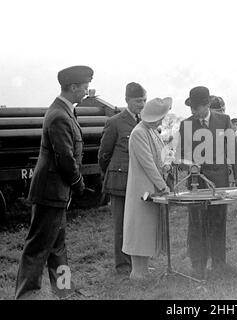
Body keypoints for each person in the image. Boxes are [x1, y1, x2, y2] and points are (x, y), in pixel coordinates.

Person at [15, 65, 94, 299]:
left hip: (57, 192)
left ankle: (64, 291)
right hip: (50, 192)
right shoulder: (60, 115)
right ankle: (26, 295)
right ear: (72, 87)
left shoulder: (64, 110)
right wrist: (79, 184)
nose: (86, 92)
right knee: (38, 247)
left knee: (57, 245)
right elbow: (65, 159)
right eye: (84, 88)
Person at [177, 86, 237, 280]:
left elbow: (232, 149)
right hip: (196, 182)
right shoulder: (186, 124)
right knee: (197, 223)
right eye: (190, 107)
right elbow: (181, 153)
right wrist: (190, 163)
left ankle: (219, 264)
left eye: (196, 107)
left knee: (218, 221)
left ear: (207, 105)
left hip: (220, 181)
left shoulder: (224, 121)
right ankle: (198, 264)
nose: (192, 112)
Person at [98, 82, 147, 274]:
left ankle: (137, 265)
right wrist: (113, 173)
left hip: (141, 183)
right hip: (121, 183)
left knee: (138, 223)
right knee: (121, 226)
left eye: (144, 100)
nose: (141, 105)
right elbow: (104, 154)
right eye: (137, 101)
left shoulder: (146, 121)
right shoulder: (115, 122)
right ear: (127, 100)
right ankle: (123, 267)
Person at [122, 97, 172, 280]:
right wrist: (162, 185)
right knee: (139, 229)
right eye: (159, 117)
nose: (161, 121)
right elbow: (148, 164)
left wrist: (167, 163)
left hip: (151, 188)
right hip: (142, 188)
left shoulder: (151, 131)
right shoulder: (139, 133)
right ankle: (137, 271)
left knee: (147, 229)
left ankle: (143, 267)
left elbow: (159, 156)